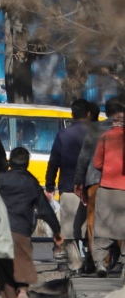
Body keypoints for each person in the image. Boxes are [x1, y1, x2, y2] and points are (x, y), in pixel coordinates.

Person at [0, 147, 63, 298]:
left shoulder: (0, 179)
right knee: (22, 269)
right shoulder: (31, 182)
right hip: (22, 233)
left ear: (10, 163)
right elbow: (45, 209)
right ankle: (23, 294)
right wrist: (56, 230)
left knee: (4, 273)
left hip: (1, 232)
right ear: (27, 164)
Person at [45, 98, 90, 272]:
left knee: (70, 229)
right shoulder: (96, 134)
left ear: (72, 114)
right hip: (93, 187)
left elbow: (53, 161)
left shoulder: (63, 135)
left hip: (68, 186)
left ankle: (76, 263)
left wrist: (50, 185)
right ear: (88, 114)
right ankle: (92, 260)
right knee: (89, 227)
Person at [74, 98, 113, 272]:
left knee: (93, 220)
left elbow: (84, 157)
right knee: (117, 218)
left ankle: (98, 259)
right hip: (118, 181)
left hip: (94, 180)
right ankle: (115, 255)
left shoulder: (95, 128)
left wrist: (78, 181)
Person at [90, 100, 125, 278]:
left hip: (107, 187)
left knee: (103, 227)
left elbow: (97, 163)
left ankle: (100, 263)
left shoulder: (105, 136)